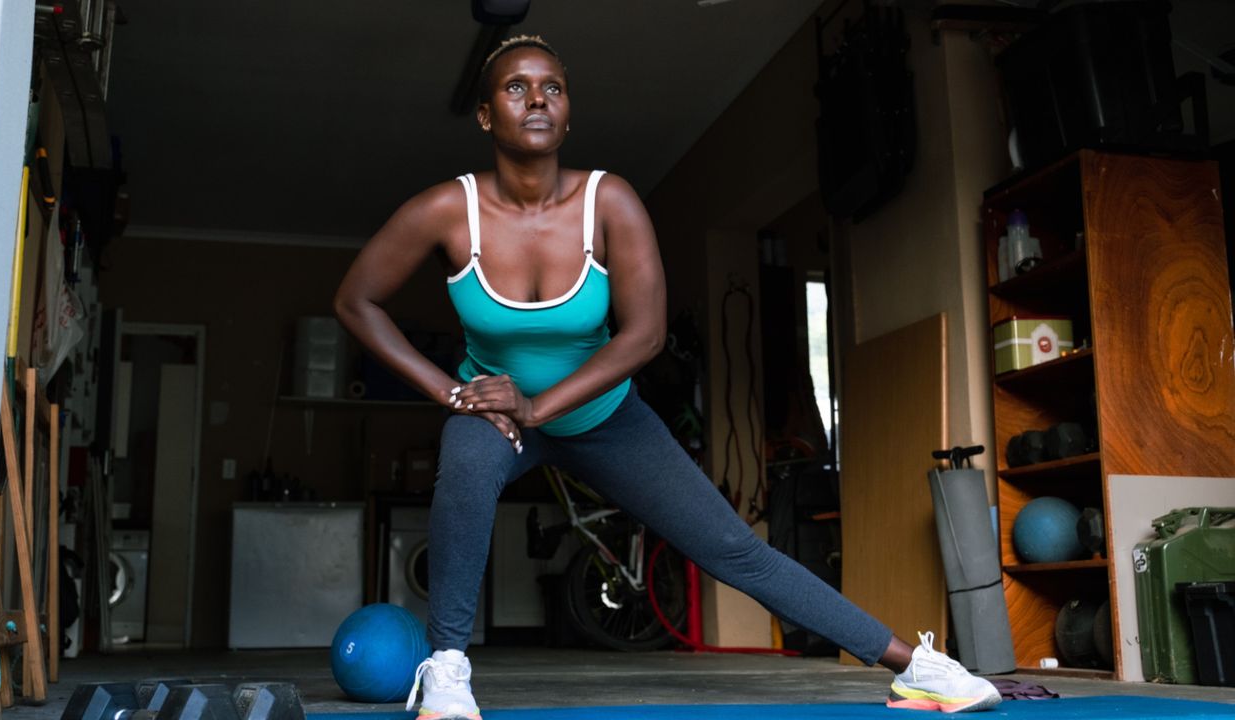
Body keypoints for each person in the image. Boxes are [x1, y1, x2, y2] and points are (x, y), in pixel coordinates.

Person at [334, 35, 1002, 720]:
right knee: (465, 464)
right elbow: (356, 302)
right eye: (515, 87)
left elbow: (644, 334)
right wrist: (452, 394)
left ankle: (915, 668)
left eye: (552, 88)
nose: (536, 99)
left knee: (732, 547)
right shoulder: (449, 211)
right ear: (483, 115)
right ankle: (447, 670)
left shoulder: (609, 202)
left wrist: (538, 406)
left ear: (568, 111)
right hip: (495, 416)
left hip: (604, 416)